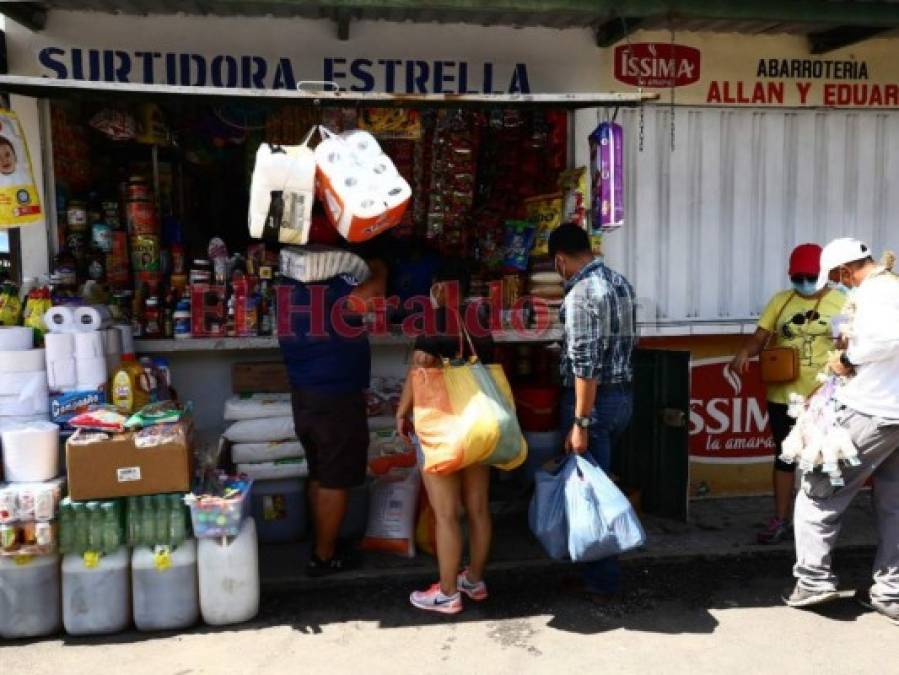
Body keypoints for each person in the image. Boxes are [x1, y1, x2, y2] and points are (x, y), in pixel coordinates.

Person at [785, 238, 899, 627]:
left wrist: (848, 359)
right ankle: (890, 591)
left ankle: (813, 579)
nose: (838, 284)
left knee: (819, 488)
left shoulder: (877, 295)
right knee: (894, 505)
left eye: (836, 277)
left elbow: (887, 340)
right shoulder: (892, 288)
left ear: (845, 270)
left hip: (873, 411)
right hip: (893, 414)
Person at [395, 259, 495, 615]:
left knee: (446, 513)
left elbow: (421, 364)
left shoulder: (435, 320)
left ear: (439, 288)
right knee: (479, 508)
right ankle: (475, 580)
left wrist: (402, 410)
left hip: (442, 425)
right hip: (479, 424)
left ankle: (448, 591)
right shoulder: (479, 323)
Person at [279, 251, 387, 577]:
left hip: (309, 393)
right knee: (335, 479)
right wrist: (379, 265)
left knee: (321, 473)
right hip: (334, 396)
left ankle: (322, 544)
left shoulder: (289, 285)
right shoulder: (326, 287)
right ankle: (325, 557)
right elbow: (367, 300)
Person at [729, 244, 845, 544]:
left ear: (823, 275)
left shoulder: (842, 303)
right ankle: (781, 520)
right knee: (784, 458)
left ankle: (818, 524)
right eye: (798, 276)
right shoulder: (781, 301)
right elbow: (760, 337)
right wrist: (745, 352)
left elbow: (849, 350)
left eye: (810, 276)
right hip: (783, 395)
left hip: (823, 398)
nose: (804, 281)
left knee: (821, 460)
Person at [549, 223, 636, 600]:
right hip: (621, 398)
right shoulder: (620, 283)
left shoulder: (582, 293)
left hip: (593, 403)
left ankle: (603, 580)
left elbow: (586, 366)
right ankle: (593, 569)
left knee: (592, 494)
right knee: (599, 486)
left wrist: (581, 422)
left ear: (560, 260)